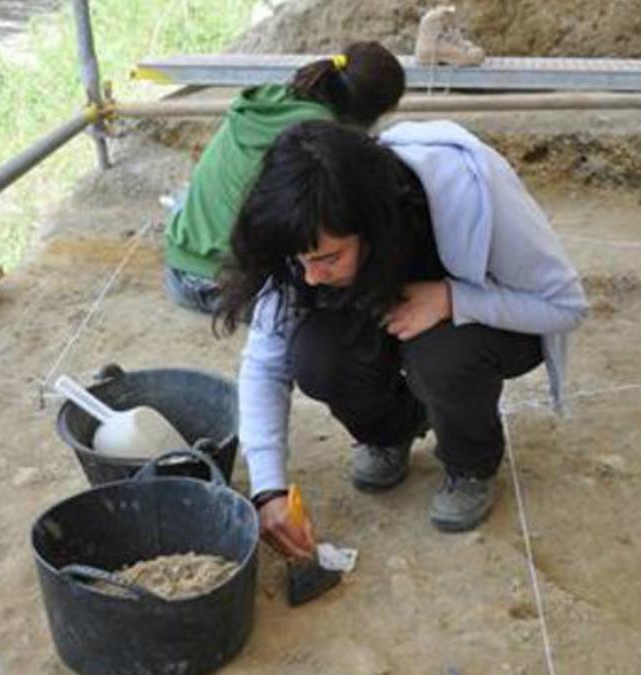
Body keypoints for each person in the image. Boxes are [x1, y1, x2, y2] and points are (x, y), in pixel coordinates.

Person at [218, 119, 587, 559]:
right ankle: (391, 431)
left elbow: (567, 307)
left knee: (441, 354)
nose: (312, 276)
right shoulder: (304, 238)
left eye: (329, 258)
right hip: (390, 309)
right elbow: (265, 362)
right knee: (316, 353)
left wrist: (454, 299)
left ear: (372, 226)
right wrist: (268, 492)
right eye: (301, 261)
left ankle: (470, 464)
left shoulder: (469, 189)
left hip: (489, 327)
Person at [162, 42, 405, 314]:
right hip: (225, 287)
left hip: (177, 266)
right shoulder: (318, 145)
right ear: (371, 113)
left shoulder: (268, 96)